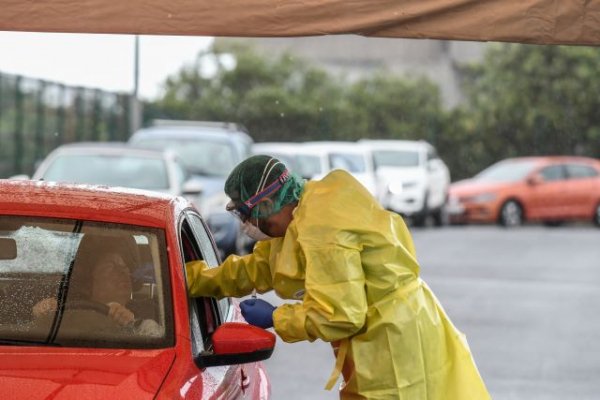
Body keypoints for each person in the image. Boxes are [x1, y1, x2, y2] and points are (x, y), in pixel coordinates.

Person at [186, 155, 491, 399]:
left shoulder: (322, 229)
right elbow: (257, 267)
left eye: (245, 215)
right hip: (390, 333)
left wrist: (278, 317)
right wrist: (189, 277)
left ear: (266, 204)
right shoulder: (305, 211)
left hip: (394, 343)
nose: (245, 226)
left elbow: (343, 315)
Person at [33, 234, 161, 337]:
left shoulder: (151, 315)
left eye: (125, 267)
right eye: (111, 267)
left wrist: (131, 325)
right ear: (88, 280)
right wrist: (44, 316)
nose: (123, 272)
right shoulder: (65, 314)